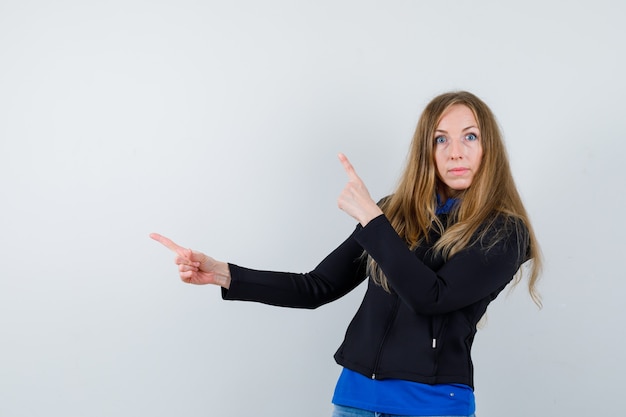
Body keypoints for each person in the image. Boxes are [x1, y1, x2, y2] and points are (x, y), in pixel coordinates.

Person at [150, 91, 542, 417]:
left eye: (469, 137)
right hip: (353, 402)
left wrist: (373, 218)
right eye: (441, 139)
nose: (455, 152)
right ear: (427, 149)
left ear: (489, 146)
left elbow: (431, 297)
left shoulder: (504, 231)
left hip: (433, 408)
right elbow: (316, 287)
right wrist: (224, 273)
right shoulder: (394, 214)